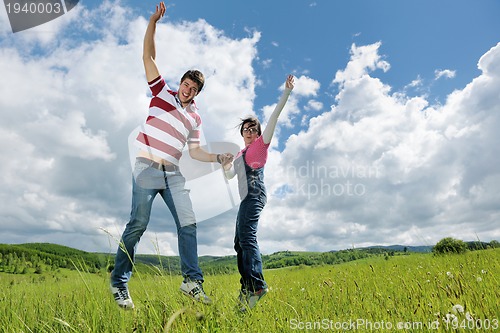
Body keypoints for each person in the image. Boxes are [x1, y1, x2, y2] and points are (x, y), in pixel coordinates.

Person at [110, 1, 233, 310]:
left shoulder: (195, 118)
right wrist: (153, 22)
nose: (187, 90)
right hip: (147, 166)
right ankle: (119, 283)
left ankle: (192, 282)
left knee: (189, 224)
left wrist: (219, 159)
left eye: (193, 89)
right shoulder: (161, 91)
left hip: (173, 173)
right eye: (186, 84)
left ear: (197, 94)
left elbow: (196, 152)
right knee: (138, 222)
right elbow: (148, 55)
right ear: (181, 83)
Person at [223, 75, 295, 311]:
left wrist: (286, 93)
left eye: (253, 129)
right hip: (245, 198)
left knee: (247, 237)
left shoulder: (260, 145)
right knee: (238, 243)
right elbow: (229, 176)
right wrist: (224, 164)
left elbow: (274, 116)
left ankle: (257, 284)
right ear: (242, 133)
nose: (249, 132)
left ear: (258, 133)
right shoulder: (239, 155)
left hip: (255, 194)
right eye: (246, 129)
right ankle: (247, 287)